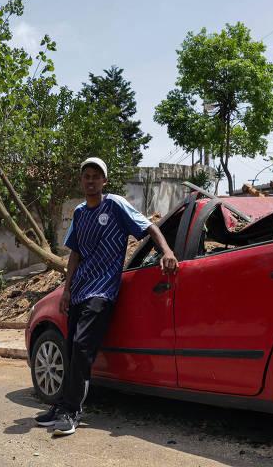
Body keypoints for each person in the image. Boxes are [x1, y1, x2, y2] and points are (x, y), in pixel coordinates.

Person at [35, 157, 179, 436]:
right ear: (82, 181)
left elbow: (150, 228)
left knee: (81, 347)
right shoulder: (79, 212)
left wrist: (167, 252)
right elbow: (75, 254)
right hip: (79, 290)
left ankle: (71, 411)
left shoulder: (115, 205)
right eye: (86, 176)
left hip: (102, 291)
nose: (90, 180)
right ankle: (62, 406)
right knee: (70, 350)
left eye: (95, 176)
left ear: (104, 181)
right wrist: (66, 290)